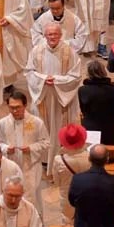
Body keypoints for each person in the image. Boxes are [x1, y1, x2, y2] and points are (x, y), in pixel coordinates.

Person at [26, 23, 81, 179]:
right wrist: (44, 79)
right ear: (44, 35)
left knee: (59, 128)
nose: (52, 37)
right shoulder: (36, 51)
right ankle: (44, 161)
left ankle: (60, 159)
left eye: (55, 34)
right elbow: (29, 72)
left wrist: (56, 80)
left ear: (61, 35)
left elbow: (76, 76)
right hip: (43, 96)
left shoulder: (69, 52)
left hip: (61, 99)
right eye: (49, 34)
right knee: (43, 129)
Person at [0, 90, 50, 216]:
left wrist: (31, 148)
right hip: (10, 166)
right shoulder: (2, 123)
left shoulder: (36, 122)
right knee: (10, 196)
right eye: (11, 108)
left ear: (25, 106)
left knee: (31, 199)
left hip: (30, 167)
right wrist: (6, 148)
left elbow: (46, 142)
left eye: (18, 107)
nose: (14, 111)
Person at [52, 124, 90, 224]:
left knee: (67, 223)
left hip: (67, 197)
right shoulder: (90, 157)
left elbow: (56, 182)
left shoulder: (58, 160)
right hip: (86, 195)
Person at [78, 60, 114, 145]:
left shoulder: (83, 90)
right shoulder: (112, 89)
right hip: (109, 129)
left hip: (90, 128)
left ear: (88, 73)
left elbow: (83, 110)